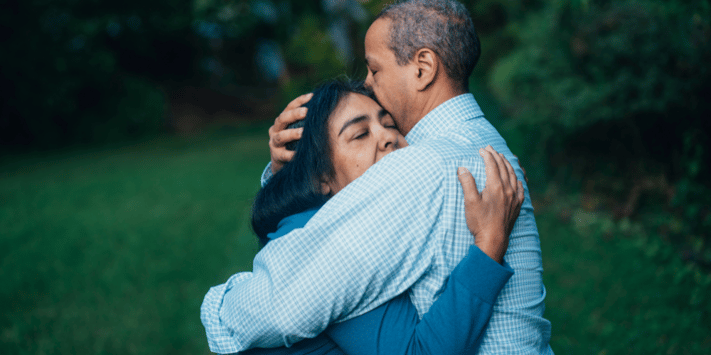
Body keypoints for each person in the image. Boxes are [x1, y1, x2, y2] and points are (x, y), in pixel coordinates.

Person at [203, 0, 552, 353]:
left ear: (423, 68)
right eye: (359, 133)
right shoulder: (485, 145)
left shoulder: (421, 167)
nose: (369, 84)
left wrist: (218, 307)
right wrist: (290, 172)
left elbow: (278, 306)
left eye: (374, 69)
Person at [219, 79, 521, 355]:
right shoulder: (335, 248)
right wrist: (489, 244)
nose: (388, 137)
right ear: (321, 177)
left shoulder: (324, 219)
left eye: (390, 124)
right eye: (360, 134)